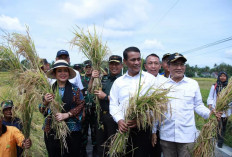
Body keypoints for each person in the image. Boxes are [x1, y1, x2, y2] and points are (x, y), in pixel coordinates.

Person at [152, 53, 222, 157]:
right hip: (167, 135)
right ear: (168, 66)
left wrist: (210, 113)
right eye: (175, 64)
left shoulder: (192, 84)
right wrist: (153, 131)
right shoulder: (161, 85)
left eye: (182, 64)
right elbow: (157, 110)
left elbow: (198, 105)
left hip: (187, 136)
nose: (179, 68)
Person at [109, 47, 158, 157]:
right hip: (122, 128)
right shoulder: (118, 82)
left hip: (143, 129)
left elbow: (156, 106)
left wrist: (140, 120)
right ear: (125, 62)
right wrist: (119, 120)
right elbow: (113, 104)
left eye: (139, 59)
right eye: (133, 60)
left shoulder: (150, 80)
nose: (137, 63)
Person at [39, 60, 85, 156]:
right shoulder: (48, 90)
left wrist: (67, 114)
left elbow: (81, 105)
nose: (63, 73)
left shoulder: (75, 89)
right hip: (51, 130)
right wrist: (45, 102)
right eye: (59, 71)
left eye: (65, 70)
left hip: (72, 130)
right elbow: (41, 109)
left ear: (69, 73)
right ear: (55, 74)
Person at [91, 55, 123, 157]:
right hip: (101, 116)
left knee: (114, 147)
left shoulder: (124, 81)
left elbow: (123, 101)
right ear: (109, 65)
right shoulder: (103, 78)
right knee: (101, 147)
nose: (114, 66)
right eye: (112, 64)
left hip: (115, 118)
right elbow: (91, 91)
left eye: (117, 64)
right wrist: (92, 78)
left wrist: (105, 97)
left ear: (122, 65)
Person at [144, 53, 167, 157]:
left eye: (156, 63)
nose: (153, 66)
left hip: (159, 125)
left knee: (156, 153)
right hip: (141, 124)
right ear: (145, 66)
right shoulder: (139, 80)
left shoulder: (166, 82)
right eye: (150, 63)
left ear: (160, 66)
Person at [207, 71, 231, 148]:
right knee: (218, 126)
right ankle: (219, 142)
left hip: (226, 111)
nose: (222, 77)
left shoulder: (229, 87)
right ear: (218, 77)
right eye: (221, 76)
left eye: (224, 76)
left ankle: (219, 140)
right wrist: (211, 107)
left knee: (223, 126)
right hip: (216, 110)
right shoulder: (214, 86)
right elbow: (210, 97)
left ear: (227, 77)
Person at [80, 60, 97, 157]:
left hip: (94, 109)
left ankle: (95, 150)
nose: (88, 69)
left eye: (90, 67)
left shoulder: (97, 79)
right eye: (86, 67)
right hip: (84, 109)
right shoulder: (81, 80)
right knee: (84, 131)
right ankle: (83, 151)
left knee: (95, 131)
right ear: (83, 68)